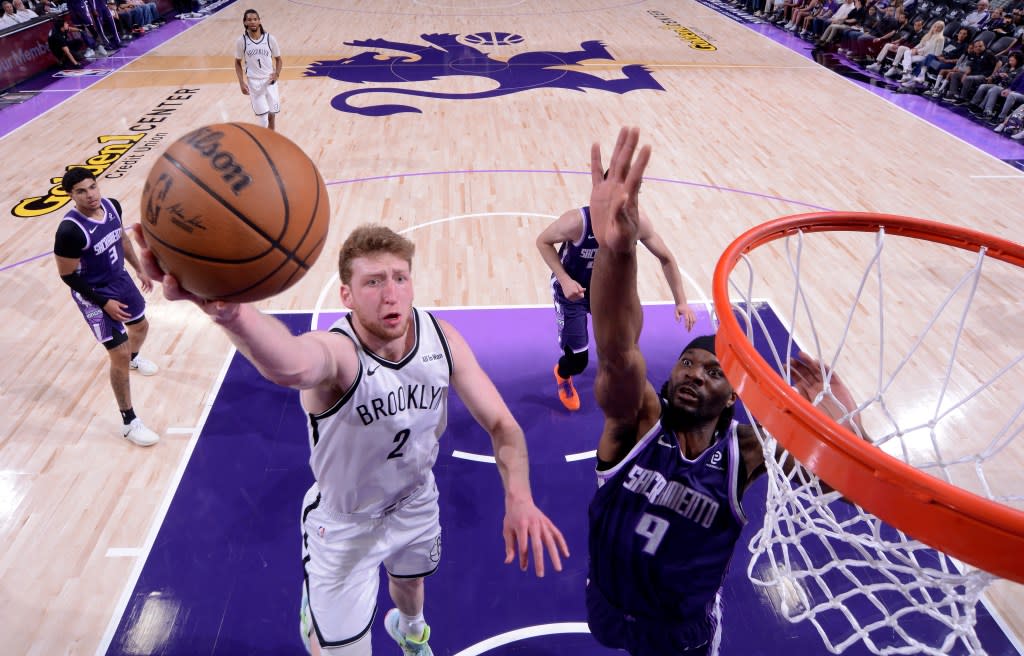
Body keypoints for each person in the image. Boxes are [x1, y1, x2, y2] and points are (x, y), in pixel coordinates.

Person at [131, 223, 570, 656]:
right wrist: (229, 312)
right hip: (345, 523)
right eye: (373, 282)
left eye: (400, 278)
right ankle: (316, 615)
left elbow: (504, 426)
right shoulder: (338, 355)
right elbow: (293, 365)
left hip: (416, 500)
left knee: (411, 583)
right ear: (347, 295)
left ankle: (410, 631)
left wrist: (519, 497)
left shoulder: (441, 338)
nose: (390, 294)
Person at [583, 127, 863, 655]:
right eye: (687, 363)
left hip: (680, 629)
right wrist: (615, 254)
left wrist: (840, 432)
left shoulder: (747, 453)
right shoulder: (636, 423)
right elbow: (617, 348)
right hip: (607, 604)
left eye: (713, 372)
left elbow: (849, 490)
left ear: (734, 397)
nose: (693, 373)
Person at [537, 199, 696, 412]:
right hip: (573, 292)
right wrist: (564, 279)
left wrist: (682, 302)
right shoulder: (577, 221)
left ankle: (616, 377)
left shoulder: (636, 223)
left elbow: (666, 257)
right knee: (578, 360)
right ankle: (563, 374)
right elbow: (543, 241)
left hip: (607, 292)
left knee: (623, 344)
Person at [53, 168, 160, 447]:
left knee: (141, 326)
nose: (91, 195)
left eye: (93, 187)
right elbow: (67, 275)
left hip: (119, 280)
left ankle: (135, 357)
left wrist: (139, 269)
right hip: (93, 294)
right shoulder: (70, 231)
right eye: (81, 191)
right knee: (119, 354)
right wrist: (104, 303)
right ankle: (129, 421)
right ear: (70, 195)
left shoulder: (112, 205)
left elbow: (122, 239)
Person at [234, 8, 282, 130]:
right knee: (263, 116)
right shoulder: (242, 41)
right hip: (254, 82)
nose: (252, 22)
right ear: (245, 23)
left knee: (272, 114)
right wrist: (241, 82)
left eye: (255, 19)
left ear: (259, 21)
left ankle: (271, 138)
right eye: (249, 20)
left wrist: (277, 74)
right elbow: (237, 62)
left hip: (270, 81)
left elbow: (279, 60)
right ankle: (265, 140)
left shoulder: (270, 39)